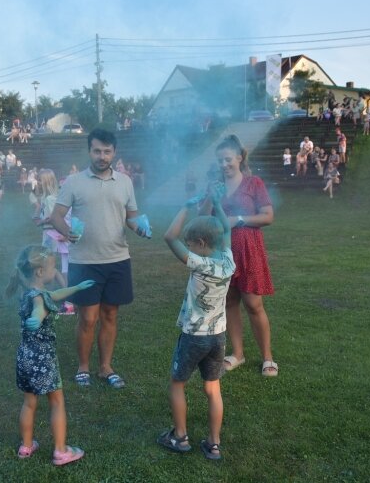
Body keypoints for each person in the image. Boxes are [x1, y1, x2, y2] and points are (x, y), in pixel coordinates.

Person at [50, 129, 149, 389]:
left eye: (107, 151)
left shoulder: (125, 182)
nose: (102, 156)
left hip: (117, 258)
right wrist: (66, 232)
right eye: (97, 151)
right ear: (89, 151)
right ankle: (83, 367)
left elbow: (132, 216)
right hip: (84, 261)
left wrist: (139, 227)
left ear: (114, 153)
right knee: (87, 318)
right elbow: (57, 215)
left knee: (110, 315)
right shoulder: (73, 181)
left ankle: (105, 367)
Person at [158, 185, 235, 461]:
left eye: (191, 244)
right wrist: (217, 202)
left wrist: (186, 206)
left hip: (194, 336)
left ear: (201, 244)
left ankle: (180, 437)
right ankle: (214, 443)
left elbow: (169, 236)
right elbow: (226, 229)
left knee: (178, 383)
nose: (188, 247)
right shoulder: (228, 260)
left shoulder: (199, 264)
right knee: (213, 388)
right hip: (218, 337)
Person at [6, 245, 95, 466]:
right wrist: (37, 318)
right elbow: (40, 307)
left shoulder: (29, 292)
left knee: (29, 403)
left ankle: (26, 446)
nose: (54, 271)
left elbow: (53, 295)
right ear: (39, 272)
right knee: (57, 402)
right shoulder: (39, 300)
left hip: (25, 357)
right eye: (53, 267)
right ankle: (61, 451)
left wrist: (75, 288)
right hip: (43, 360)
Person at [199, 134, 278, 377]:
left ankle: (268, 358)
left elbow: (268, 216)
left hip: (248, 249)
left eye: (228, 159)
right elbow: (202, 217)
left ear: (240, 157)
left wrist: (239, 219)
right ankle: (238, 354)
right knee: (230, 302)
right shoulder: (215, 185)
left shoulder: (254, 183)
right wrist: (211, 198)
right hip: (222, 252)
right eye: (220, 160)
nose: (224, 164)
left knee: (254, 304)